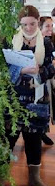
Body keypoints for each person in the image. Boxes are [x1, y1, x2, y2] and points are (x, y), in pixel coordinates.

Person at [6, 5, 55, 186]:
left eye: (32, 24)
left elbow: (51, 68)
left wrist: (39, 71)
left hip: (37, 98)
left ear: (38, 22)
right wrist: (21, 70)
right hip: (14, 97)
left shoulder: (47, 43)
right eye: (24, 24)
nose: (28, 28)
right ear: (19, 24)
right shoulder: (10, 40)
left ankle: (34, 177)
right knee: (8, 137)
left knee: (34, 139)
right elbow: (2, 68)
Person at [39, 16, 55, 146]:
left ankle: (43, 132)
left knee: (46, 107)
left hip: (48, 79)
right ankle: (41, 133)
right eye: (47, 26)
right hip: (39, 80)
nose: (50, 29)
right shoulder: (38, 42)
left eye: (51, 26)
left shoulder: (49, 41)